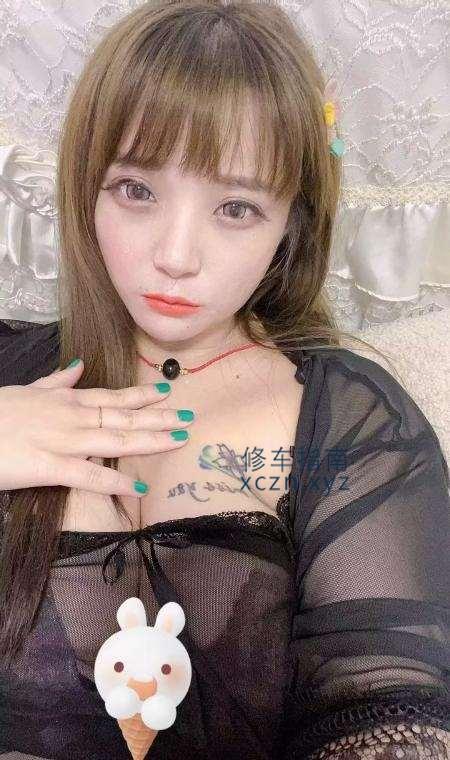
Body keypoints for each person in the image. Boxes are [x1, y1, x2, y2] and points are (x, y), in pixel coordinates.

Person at [0, 1, 448, 758]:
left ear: (291, 222)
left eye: (236, 207)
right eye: (136, 190)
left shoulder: (350, 422)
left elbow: (385, 714)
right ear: (86, 185)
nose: (176, 256)